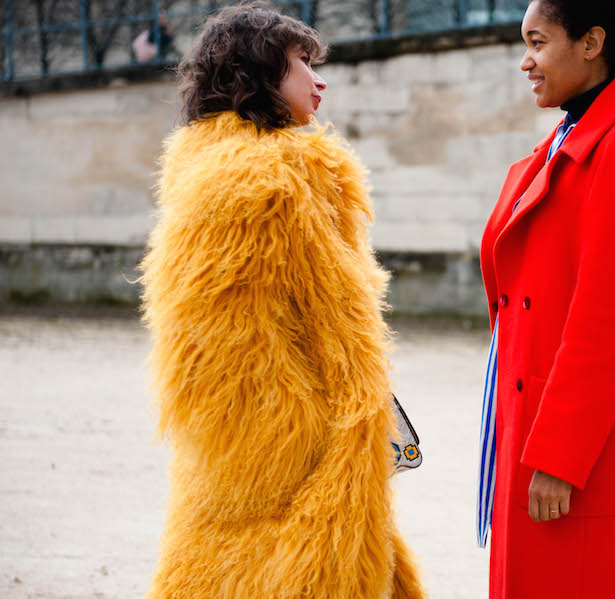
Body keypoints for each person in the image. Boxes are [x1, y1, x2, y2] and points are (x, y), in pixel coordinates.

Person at [139, 3, 426, 598]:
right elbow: (342, 330)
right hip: (303, 446)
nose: (319, 80)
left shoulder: (202, 167)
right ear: (258, 76)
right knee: (312, 571)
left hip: (229, 449)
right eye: (300, 63)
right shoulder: (286, 175)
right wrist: (360, 431)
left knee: (214, 571)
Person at [476, 0, 615, 597]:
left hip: (580, 454)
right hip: (540, 422)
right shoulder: (575, 136)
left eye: (538, 41)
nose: (525, 61)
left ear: (591, 43)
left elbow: (606, 327)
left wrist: (559, 458)